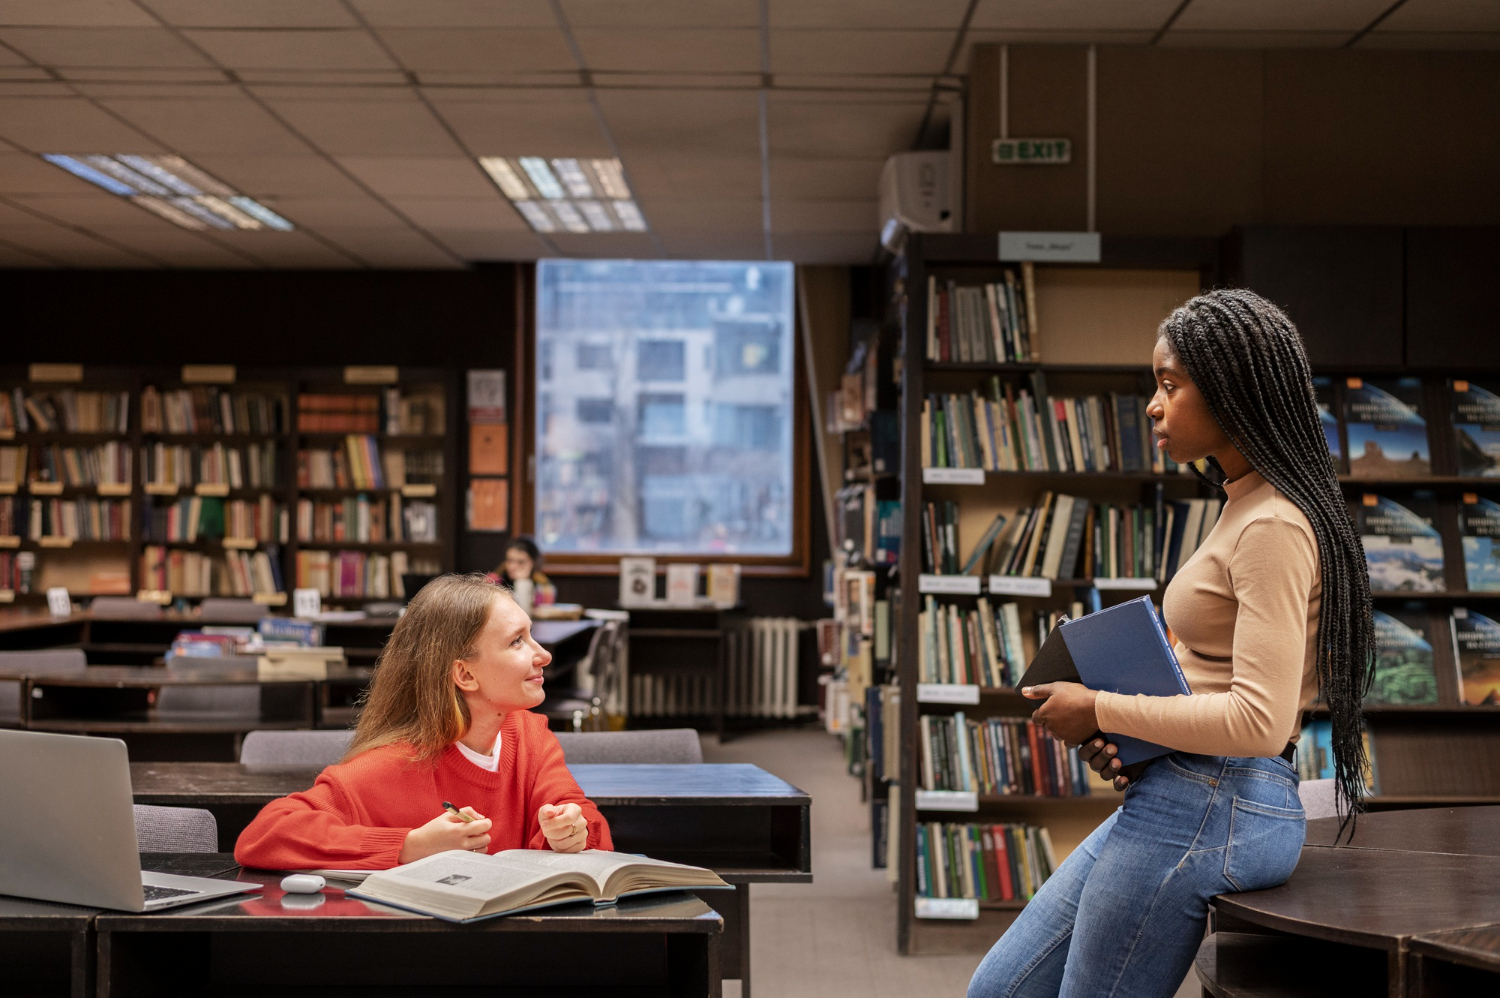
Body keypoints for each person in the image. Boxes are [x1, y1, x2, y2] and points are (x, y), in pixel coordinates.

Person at [968, 289, 1374, 998]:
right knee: (999, 989)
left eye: (1169, 384)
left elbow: (1259, 721)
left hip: (1219, 796)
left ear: (1230, 389)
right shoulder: (1243, 502)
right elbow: (1213, 677)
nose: (1153, 406)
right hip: (1184, 786)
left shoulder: (1272, 524)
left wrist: (1100, 707)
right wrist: (1132, 739)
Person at [235, 574, 611, 870]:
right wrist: (410, 846)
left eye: (531, 636)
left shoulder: (531, 735)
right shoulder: (389, 765)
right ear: (465, 675)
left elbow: (586, 822)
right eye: (517, 642)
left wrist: (571, 832)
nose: (543, 655)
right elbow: (264, 836)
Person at [488, 536, 557, 606]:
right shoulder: (493, 581)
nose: (512, 567)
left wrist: (523, 582)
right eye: (509, 560)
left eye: (521, 562)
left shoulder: (545, 588)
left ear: (533, 563)